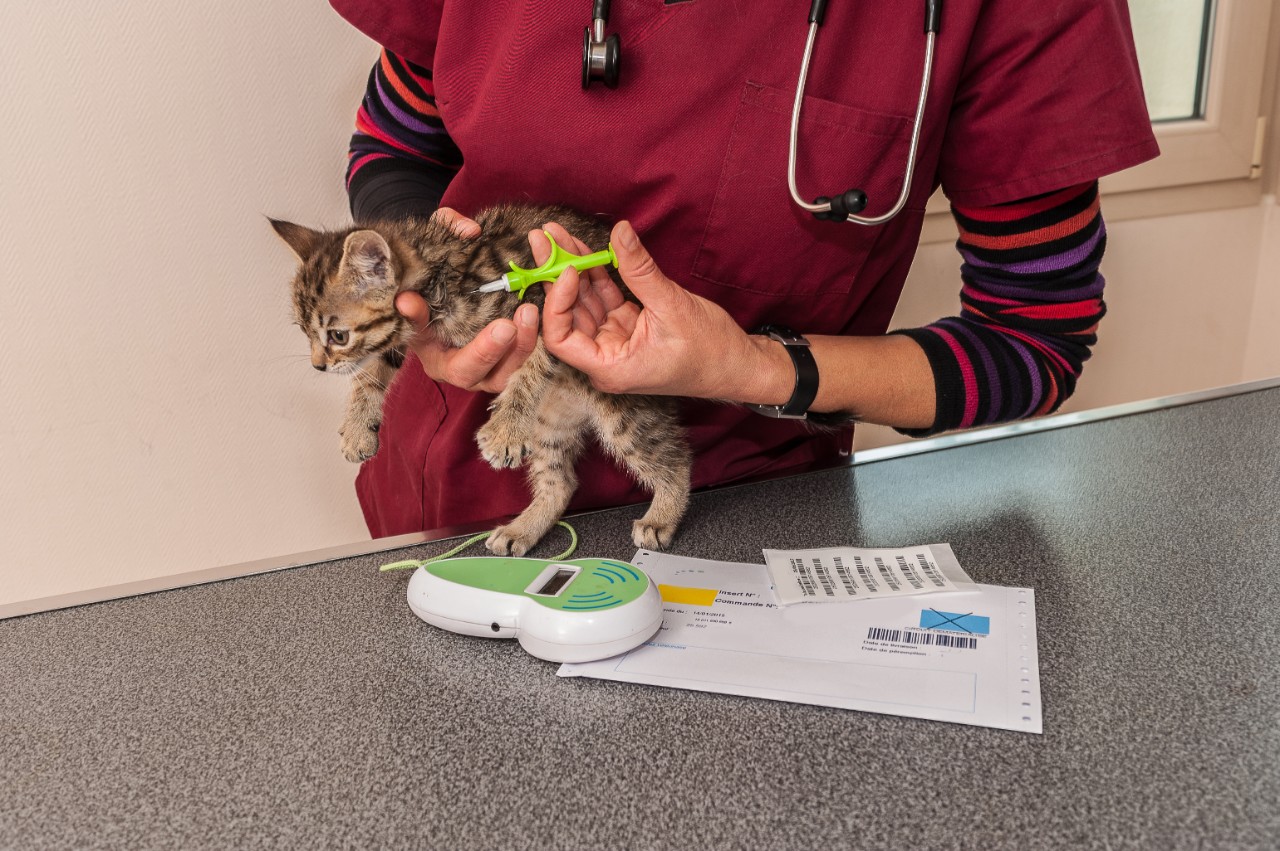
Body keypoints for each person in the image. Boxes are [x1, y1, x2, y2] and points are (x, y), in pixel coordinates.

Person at [327, 0, 1159, 538]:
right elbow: (396, 141)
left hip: (738, 526)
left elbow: (1031, 340)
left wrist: (758, 366)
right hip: (452, 486)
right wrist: (426, 286)